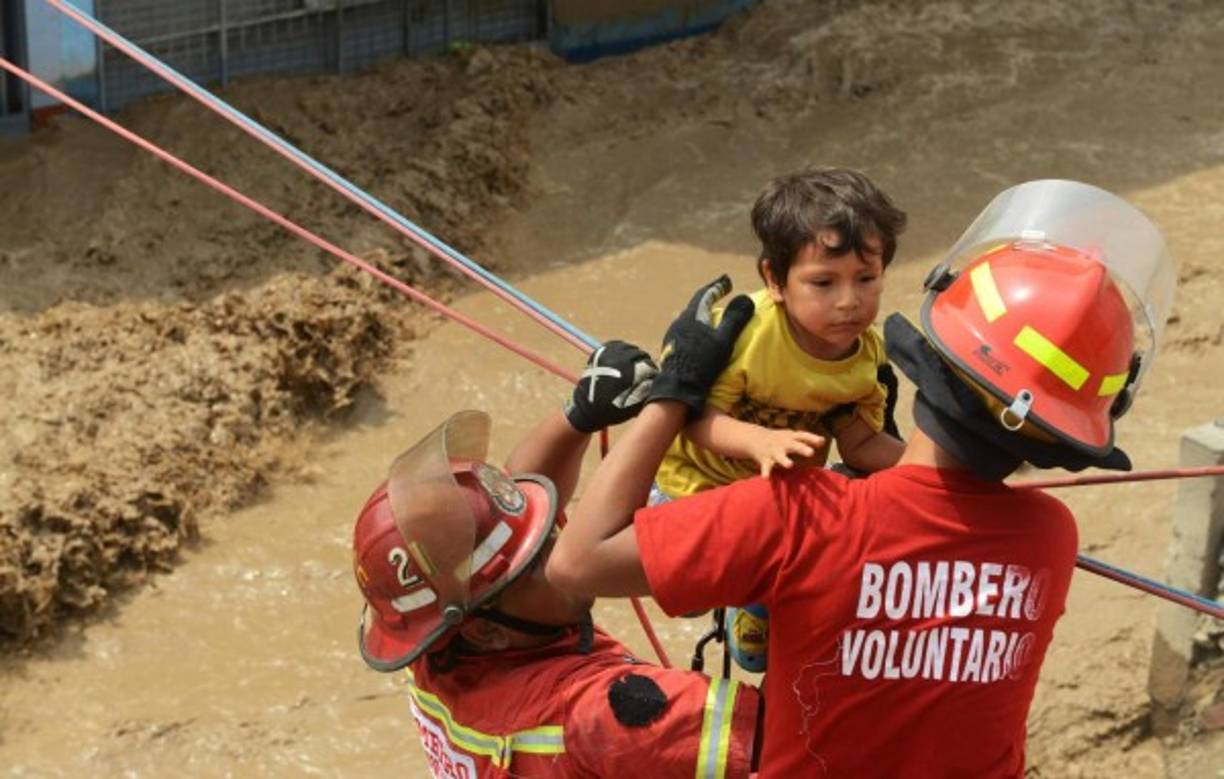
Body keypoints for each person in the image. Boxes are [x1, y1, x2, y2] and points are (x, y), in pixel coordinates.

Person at [547, 179, 1176, 777]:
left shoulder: (799, 512)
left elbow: (576, 564)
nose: (847, 300)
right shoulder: (1050, 540)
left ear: (929, 357)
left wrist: (672, 392)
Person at [350, 339, 760, 778]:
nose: (566, 546)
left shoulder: (437, 640)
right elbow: (807, 733)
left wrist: (579, 415)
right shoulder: (604, 714)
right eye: (540, 558)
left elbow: (513, 502)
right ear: (487, 630)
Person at [651, 167, 909, 671]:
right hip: (694, 483)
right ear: (774, 280)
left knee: (757, 657)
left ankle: (755, 598)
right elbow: (696, 419)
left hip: (775, 501)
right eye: (822, 283)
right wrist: (760, 443)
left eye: (866, 279)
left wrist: (935, 469)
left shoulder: (865, 356)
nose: (849, 301)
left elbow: (859, 445)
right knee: (687, 598)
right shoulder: (746, 333)